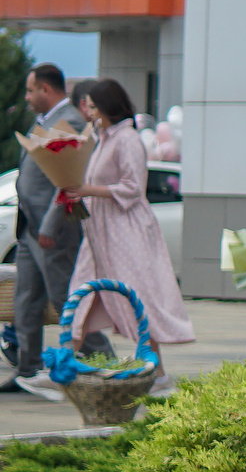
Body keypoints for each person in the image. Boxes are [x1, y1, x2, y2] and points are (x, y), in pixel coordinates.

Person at [62, 78, 194, 367]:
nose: (90, 113)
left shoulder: (128, 139)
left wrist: (87, 191)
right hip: (98, 232)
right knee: (79, 293)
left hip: (125, 230)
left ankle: (156, 371)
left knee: (135, 295)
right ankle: (64, 363)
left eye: (95, 107)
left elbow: (133, 188)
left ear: (109, 107)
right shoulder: (103, 139)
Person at [6, 65, 84, 399]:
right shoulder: (44, 122)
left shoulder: (71, 120)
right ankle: (28, 370)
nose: (26, 98)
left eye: (30, 90)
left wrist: (51, 225)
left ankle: (102, 360)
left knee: (65, 298)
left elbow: (67, 180)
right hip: (29, 228)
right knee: (26, 300)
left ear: (46, 89)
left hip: (53, 231)